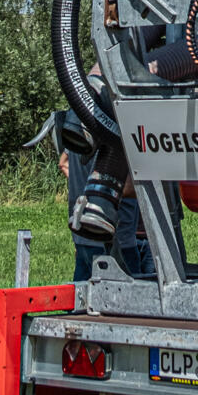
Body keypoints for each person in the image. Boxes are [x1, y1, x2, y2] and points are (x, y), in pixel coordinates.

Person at [60, 116, 154, 282]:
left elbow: (64, 163)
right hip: (116, 240)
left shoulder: (79, 128)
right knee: (127, 301)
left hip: (82, 234)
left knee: (82, 300)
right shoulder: (121, 130)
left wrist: (87, 188)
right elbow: (128, 187)